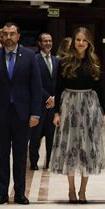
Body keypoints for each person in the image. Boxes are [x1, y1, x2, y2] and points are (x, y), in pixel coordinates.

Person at [0, 22, 42, 205]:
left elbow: (36, 87)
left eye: (12, 34)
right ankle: (2, 193)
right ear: (1, 36)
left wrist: (35, 113)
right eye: (5, 34)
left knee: (20, 156)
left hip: (23, 114)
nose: (9, 37)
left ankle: (20, 193)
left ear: (18, 36)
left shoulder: (30, 57)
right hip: (0, 114)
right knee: (2, 156)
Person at [50, 27, 105, 204]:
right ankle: (71, 189)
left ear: (88, 43)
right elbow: (57, 88)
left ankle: (83, 190)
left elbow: (100, 89)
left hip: (90, 105)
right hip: (69, 105)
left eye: (84, 40)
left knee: (87, 148)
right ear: (73, 42)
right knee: (69, 147)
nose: (81, 43)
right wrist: (56, 112)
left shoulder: (94, 62)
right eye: (78, 40)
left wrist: (104, 112)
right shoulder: (64, 62)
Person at [29, 33, 59, 170]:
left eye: (50, 41)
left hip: (53, 105)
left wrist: (54, 98)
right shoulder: (34, 60)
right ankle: (34, 162)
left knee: (51, 136)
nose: (48, 43)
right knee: (35, 135)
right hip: (38, 103)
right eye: (45, 41)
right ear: (40, 43)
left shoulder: (57, 60)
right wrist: (47, 97)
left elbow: (59, 82)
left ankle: (50, 162)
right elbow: (33, 83)